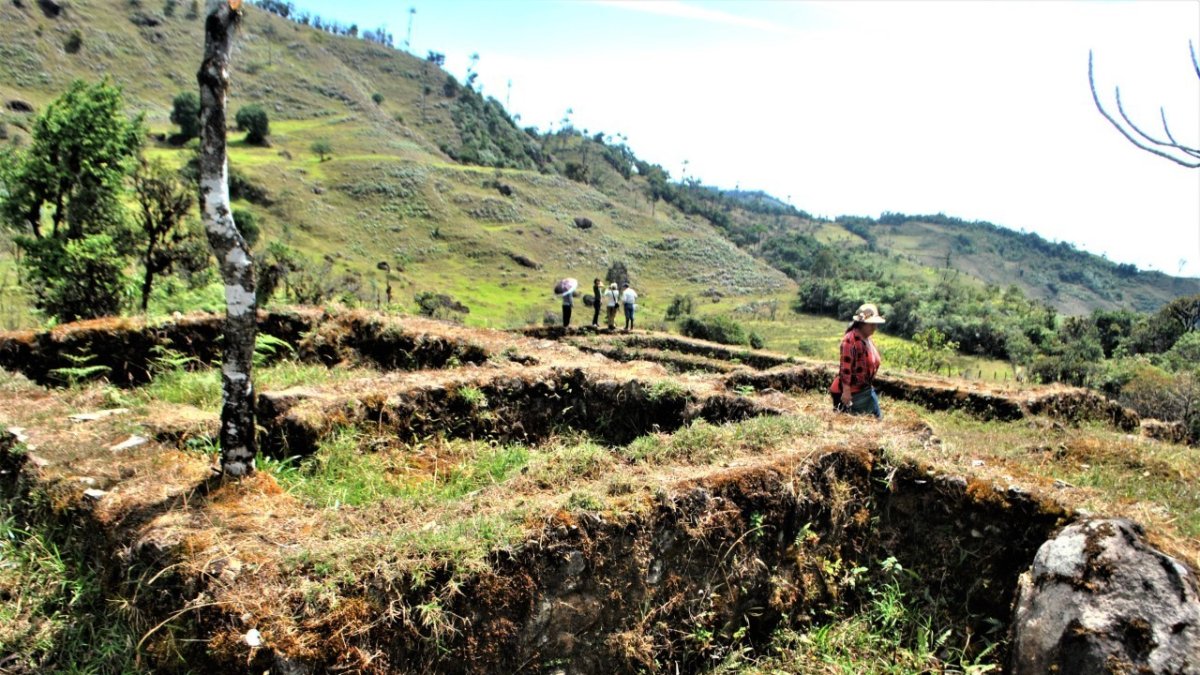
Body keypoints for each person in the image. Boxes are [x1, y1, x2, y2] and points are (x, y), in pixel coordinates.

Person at [830, 303, 885, 419]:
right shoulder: (850, 340)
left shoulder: (867, 339)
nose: (875, 327)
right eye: (872, 324)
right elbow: (845, 368)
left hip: (865, 390)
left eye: (875, 324)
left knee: (877, 420)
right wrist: (846, 392)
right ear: (862, 324)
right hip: (852, 394)